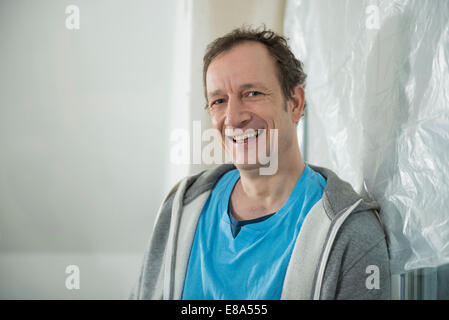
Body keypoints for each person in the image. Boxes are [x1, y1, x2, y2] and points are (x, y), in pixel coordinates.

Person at [130, 26, 390, 300]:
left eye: (252, 93)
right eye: (218, 100)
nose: (233, 117)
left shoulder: (352, 233)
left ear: (295, 103)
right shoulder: (180, 210)